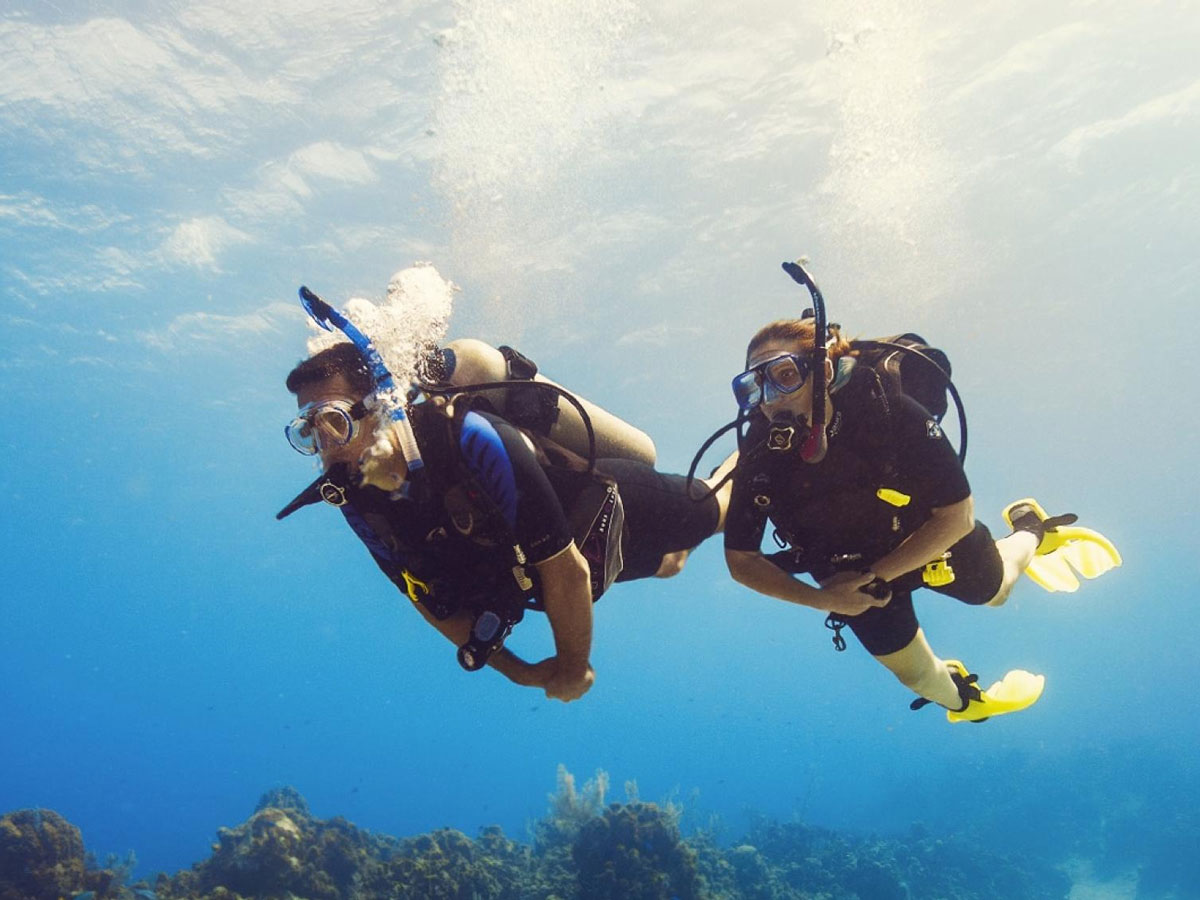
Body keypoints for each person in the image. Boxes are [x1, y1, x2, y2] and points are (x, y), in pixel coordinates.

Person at [279, 339, 733, 704]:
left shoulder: (471, 438)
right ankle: (679, 548)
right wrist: (521, 672)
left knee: (715, 510)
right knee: (671, 563)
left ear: (378, 406)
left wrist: (573, 668)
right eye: (309, 432)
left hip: (611, 507)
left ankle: (749, 460)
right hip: (566, 571)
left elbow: (565, 569)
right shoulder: (356, 501)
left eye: (334, 423)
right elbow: (423, 596)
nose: (325, 447)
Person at [722, 314, 1121, 722]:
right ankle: (966, 702)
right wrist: (825, 599)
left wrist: (878, 575)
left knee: (996, 592)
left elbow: (957, 516)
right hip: (843, 575)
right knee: (915, 675)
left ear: (822, 370)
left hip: (927, 540)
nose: (770, 398)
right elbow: (741, 560)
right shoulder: (759, 453)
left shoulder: (887, 410)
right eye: (754, 386)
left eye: (784, 375)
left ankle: (1032, 531)